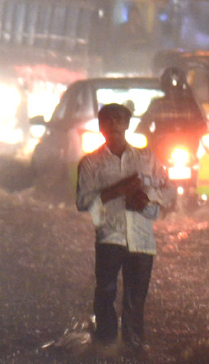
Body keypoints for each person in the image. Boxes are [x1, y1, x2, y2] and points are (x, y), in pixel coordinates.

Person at [76, 103, 166, 351]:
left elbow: (165, 190)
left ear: (127, 125)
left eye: (119, 120)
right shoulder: (91, 163)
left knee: (137, 297)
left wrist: (147, 200)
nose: (114, 125)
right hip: (109, 235)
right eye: (109, 121)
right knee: (105, 291)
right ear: (100, 127)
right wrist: (117, 191)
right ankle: (105, 342)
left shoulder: (147, 158)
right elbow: (84, 203)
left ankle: (133, 345)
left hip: (142, 237)